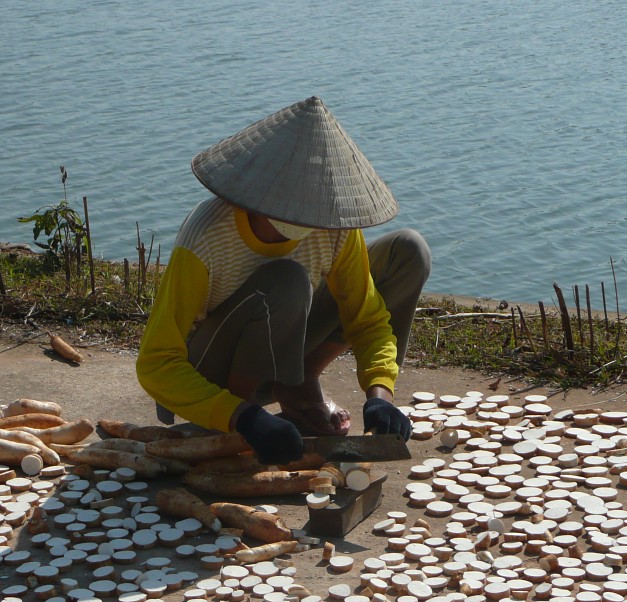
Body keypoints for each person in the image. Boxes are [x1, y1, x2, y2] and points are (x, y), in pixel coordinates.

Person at [136, 96, 431, 466]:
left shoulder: (332, 227)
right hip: (213, 366)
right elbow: (156, 363)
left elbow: (366, 318)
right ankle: (237, 421)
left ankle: (298, 383)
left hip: (284, 344)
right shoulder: (207, 237)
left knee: (408, 250)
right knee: (287, 279)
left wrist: (380, 395)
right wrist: (244, 417)